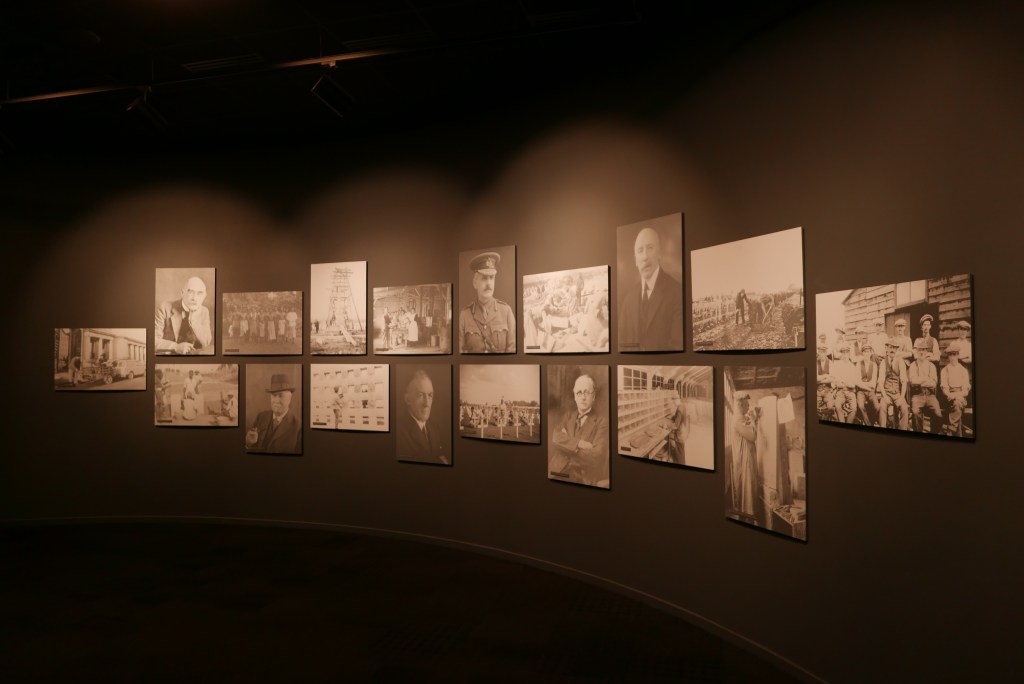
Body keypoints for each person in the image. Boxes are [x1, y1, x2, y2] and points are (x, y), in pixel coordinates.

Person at [618, 228, 683, 351]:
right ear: (635, 260)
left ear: (660, 253)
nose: (645, 257)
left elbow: (677, 345)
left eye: (650, 248)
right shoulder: (628, 300)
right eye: (640, 250)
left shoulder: (677, 292)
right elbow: (623, 346)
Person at [550, 373, 608, 486]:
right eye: (579, 393)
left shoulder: (602, 422)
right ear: (575, 397)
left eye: (587, 392)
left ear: (593, 396)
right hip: (555, 471)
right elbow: (555, 436)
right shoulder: (568, 416)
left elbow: (596, 457)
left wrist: (565, 446)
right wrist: (579, 444)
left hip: (581, 479)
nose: (583, 397)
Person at [460, 251, 516, 353]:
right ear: (475, 283)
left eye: (492, 278)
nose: (489, 283)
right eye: (484, 278)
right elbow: (461, 352)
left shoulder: (506, 311)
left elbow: (512, 351)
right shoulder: (464, 315)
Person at [396, 370, 449, 464]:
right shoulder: (398, 433)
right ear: (407, 399)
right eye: (420, 395)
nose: (427, 403)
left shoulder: (435, 428)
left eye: (430, 395)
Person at [155, 275, 213, 355]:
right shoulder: (164, 308)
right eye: (190, 292)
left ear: (204, 296)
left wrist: (193, 317)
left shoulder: (204, 311)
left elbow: (206, 342)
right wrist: (175, 347)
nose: (195, 298)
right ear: (182, 293)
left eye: (200, 293)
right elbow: (153, 341)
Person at [246, 373, 301, 453]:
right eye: (274, 395)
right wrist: (248, 444)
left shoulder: (298, 427)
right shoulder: (261, 417)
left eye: (281, 396)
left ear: (289, 398)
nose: (277, 401)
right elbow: (251, 450)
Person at [730, 390, 759, 519]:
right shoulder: (737, 419)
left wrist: (753, 418)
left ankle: (748, 514)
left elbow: (749, 426)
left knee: (749, 487)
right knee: (747, 488)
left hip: (746, 458)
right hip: (743, 460)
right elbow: (752, 436)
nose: (748, 406)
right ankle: (748, 515)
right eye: (746, 404)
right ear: (740, 405)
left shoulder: (741, 418)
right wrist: (753, 419)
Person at [908, 337, 942, 433]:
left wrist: (920, 380)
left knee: (938, 415)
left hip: (930, 395)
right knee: (915, 413)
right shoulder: (913, 365)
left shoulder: (932, 366)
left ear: (927, 351)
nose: (921, 352)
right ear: (916, 351)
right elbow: (913, 381)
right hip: (917, 395)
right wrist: (926, 379)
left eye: (923, 349)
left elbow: (933, 383)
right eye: (919, 350)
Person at [877, 336, 910, 430]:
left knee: (904, 409)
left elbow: (904, 382)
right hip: (886, 393)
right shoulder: (883, 363)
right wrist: (885, 396)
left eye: (894, 348)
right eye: (890, 347)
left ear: (897, 350)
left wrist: (901, 397)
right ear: (887, 348)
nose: (892, 350)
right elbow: (880, 382)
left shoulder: (901, 362)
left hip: (897, 394)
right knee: (882, 407)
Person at [940, 340, 971, 436]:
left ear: (958, 355)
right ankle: (956, 433)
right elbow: (944, 389)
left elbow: (965, 391)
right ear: (948, 356)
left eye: (954, 354)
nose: (952, 357)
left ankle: (951, 428)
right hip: (948, 398)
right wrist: (951, 395)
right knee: (957, 405)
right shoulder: (944, 370)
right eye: (950, 355)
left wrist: (956, 396)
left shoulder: (963, 370)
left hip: (961, 398)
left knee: (957, 404)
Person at [830, 342, 858, 423]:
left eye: (847, 353)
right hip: (840, 392)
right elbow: (835, 381)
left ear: (849, 354)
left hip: (850, 392)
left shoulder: (852, 367)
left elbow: (853, 385)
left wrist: (843, 382)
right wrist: (840, 383)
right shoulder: (837, 366)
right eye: (843, 353)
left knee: (854, 409)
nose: (845, 355)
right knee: (837, 406)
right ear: (841, 354)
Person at [853, 342, 880, 425]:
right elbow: (857, 382)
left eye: (868, 351)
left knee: (877, 407)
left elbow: (873, 384)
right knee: (861, 406)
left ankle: (871, 422)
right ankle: (869, 425)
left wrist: (863, 384)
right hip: (860, 392)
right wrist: (867, 385)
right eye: (865, 352)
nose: (866, 354)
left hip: (871, 391)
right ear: (862, 353)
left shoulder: (874, 365)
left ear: (871, 353)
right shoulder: (858, 364)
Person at [815, 342, 836, 420]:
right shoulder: (815, 362)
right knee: (816, 409)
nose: (822, 354)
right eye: (820, 352)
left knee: (830, 408)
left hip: (828, 391)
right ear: (818, 352)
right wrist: (825, 376)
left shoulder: (830, 362)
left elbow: (832, 378)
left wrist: (820, 379)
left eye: (823, 352)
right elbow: (815, 378)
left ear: (826, 353)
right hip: (818, 390)